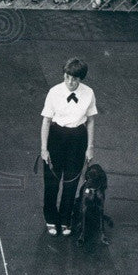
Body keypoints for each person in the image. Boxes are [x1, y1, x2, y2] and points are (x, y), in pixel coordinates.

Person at [37, 58, 97, 236]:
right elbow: (46, 121)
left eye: (75, 79)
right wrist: (44, 148)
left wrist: (90, 147)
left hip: (78, 138)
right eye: (67, 77)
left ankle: (65, 217)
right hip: (56, 137)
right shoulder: (54, 92)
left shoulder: (89, 93)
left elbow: (91, 121)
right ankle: (50, 216)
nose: (70, 82)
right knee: (52, 182)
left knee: (71, 182)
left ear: (81, 79)